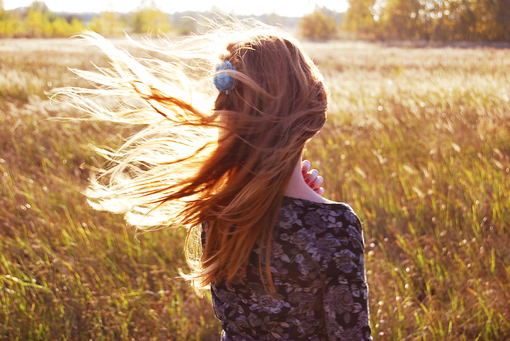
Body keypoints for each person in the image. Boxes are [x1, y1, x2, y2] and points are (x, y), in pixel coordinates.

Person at [59, 21, 372, 341]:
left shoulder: (219, 211)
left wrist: (296, 197)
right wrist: (318, 211)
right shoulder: (335, 226)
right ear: (314, 104)